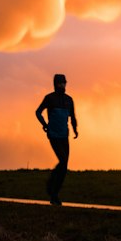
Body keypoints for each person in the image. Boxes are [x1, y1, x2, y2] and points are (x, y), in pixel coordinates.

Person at [36, 73, 78, 205]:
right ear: (55, 84)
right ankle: (52, 189)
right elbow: (38, 112)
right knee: (63, 161)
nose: (63, 85)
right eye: (61, 83)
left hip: (65, 135)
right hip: (53, 135)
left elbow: (73, 117)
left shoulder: (69, 100)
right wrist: (45, 125)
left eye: (64, 83)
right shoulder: (49, 98)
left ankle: (54, 192)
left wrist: (75, 129)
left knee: (64, 166)